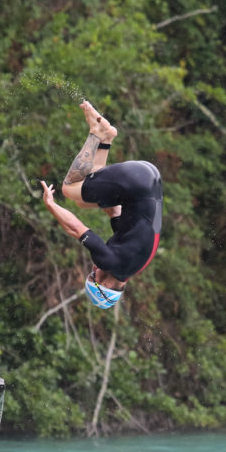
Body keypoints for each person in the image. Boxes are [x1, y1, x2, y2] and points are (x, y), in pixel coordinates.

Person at [40, 100, 163, 309]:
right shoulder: (112, 264)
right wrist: (52, 206)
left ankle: (106, 138)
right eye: (92, 275)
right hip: (137, 182)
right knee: (69, 190)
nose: (94, 267)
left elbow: (115, 211)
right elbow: (76, 229)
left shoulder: (133, 263)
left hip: (149, 176)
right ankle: (96, 133)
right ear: (104, 284)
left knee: (82, 202)